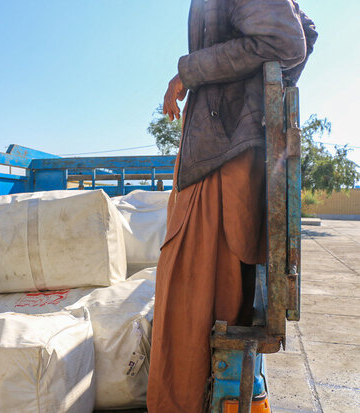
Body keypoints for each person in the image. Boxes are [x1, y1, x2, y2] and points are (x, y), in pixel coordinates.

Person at [146, 1, 317, 412]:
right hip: (223, 151)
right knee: (206, 298)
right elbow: (305, 34)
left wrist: (190, 72)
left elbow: (288, 40)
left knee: (194, 300)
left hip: (221, 160)